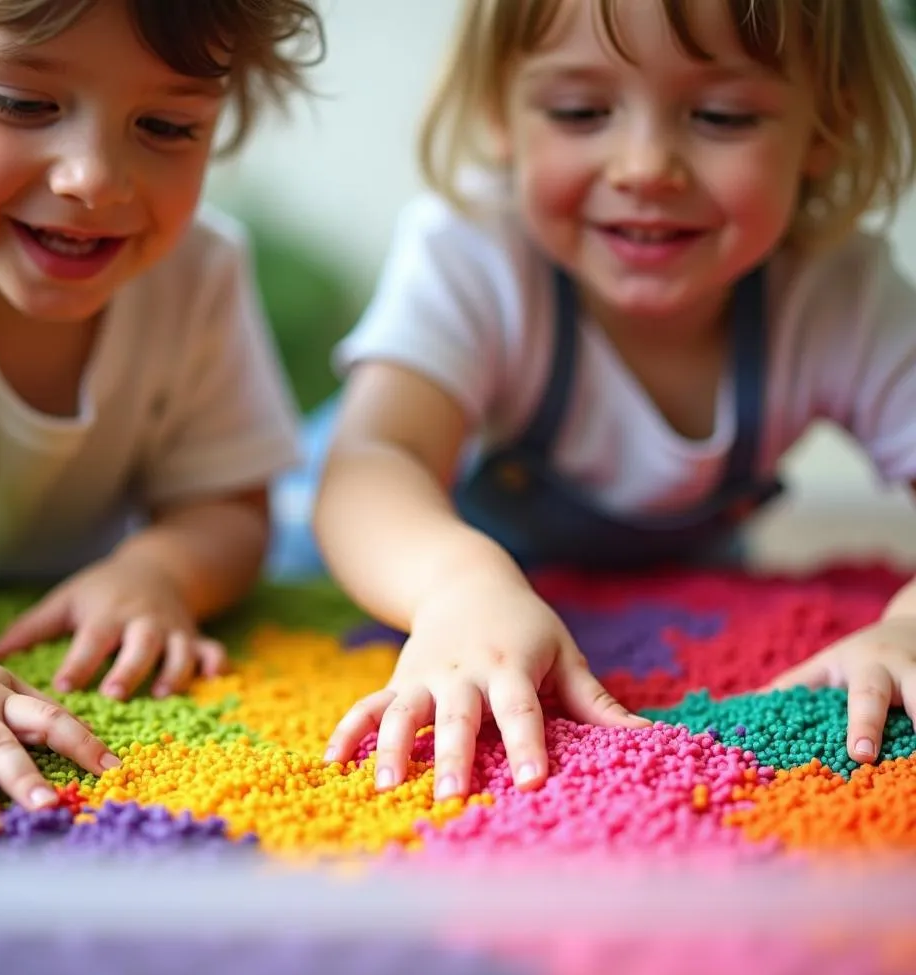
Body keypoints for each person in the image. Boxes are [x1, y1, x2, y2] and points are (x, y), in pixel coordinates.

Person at [315, 0, 916, 803]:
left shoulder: (836, 291)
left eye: (721, 115)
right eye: (579, 111)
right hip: (406, 561)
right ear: (502, 109)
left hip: (664, 588)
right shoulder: (474, 256)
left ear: (830, 123)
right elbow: (372, 464)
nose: (644, 166)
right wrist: (458, 589)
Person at [0, 0, 321, 836]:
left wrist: (161, 571)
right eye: (23, 104)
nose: (93, 177)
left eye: (164, 124)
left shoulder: (199, 274)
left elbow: (228, 508)